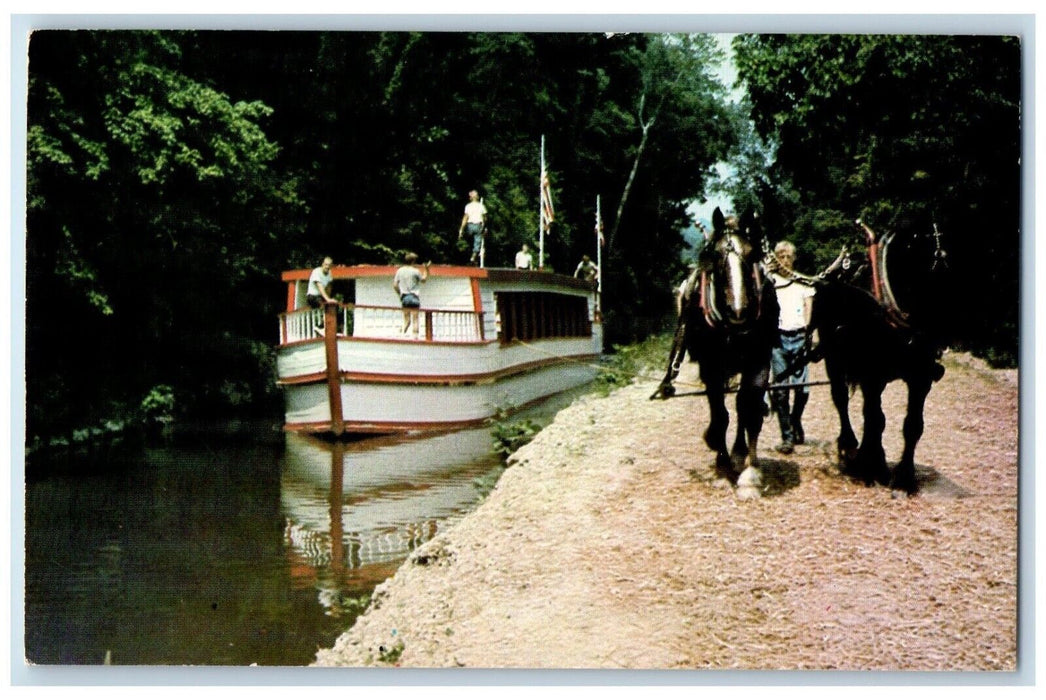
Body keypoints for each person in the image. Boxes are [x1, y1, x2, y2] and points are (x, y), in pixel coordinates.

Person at [769, 240, 816, 454]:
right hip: (778, 340)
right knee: (780, 391)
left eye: (788, 257)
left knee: (802, 390)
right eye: (781, 257)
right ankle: (787, 436)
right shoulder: (770, 283)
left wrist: (808, 332)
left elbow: (809, 307)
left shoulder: (803, 282)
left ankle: (795, 420)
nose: (785, 261)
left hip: (799, 337)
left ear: (794, 258)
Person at [392, 252, 431, 338]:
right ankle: (415, 338)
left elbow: (395, 285)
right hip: (414, 297)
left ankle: (400, 335)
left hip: (405, 297)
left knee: (406, 320)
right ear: (413, 261)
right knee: (415, 319)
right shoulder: (415, 271)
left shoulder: (400, 271)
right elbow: (424, 280)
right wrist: (427, 269)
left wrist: (400, 294)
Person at [458, 190, 487, 265]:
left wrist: (461, 229)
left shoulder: (468, 206)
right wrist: (484, 226)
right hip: (478, 225)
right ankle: (473, 256)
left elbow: (465, 218)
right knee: (477, 241)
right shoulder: (481, 206)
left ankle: (470, 255)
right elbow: (485, 218)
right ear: (476, 197)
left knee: (469, 240)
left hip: (470, 225)